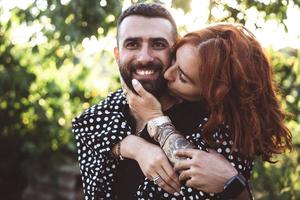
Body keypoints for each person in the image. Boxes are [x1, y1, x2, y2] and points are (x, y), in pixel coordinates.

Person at [72, 3, 260, 200]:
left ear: (174, 50)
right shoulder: (109, 110)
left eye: (158, 44)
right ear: (117, 55)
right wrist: (136, 148)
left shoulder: (218, 124)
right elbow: (83, 125)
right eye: (132, 44)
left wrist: (155, 121)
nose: (144, 57)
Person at [126, 23, 293, 199]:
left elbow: (186, 181)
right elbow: (97, 123)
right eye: (174, 58)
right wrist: (133, 147)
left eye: (182, 77)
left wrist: (155, 118)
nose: (167, 74)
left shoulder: (227, 137)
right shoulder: (158, 93)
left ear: (214, 95)